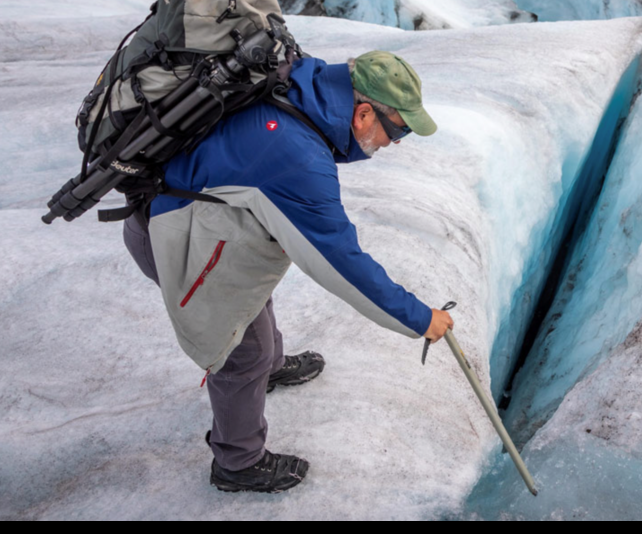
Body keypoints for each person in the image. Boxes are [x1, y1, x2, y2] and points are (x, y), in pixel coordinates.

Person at [122, 50, 455, 493]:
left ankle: (272, 368)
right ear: (362, 113)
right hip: (172, 234)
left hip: (193, 217)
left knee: (253, 283)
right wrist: (420, 318)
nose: (394, 142)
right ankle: (238, 462)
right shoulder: (298, 158)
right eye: (398, 130)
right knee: (244, 352)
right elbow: (342, 263)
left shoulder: (304, 83)